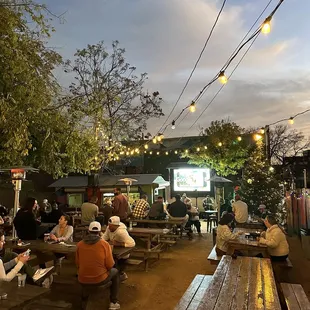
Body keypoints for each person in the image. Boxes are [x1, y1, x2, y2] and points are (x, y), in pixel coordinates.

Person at [76, 221, 120, 310]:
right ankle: (113, 302)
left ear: (88, 231)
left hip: (82, 278)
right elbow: (110, 265)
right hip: (99, 278)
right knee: (115, 272)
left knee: (84, 272)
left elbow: (77, 263)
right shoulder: (104, 244)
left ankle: (84, 298)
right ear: (100, 232)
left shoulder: (79, 244)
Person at [101, 216, 135, 282]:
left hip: (122, 252)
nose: (109, 227)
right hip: (113, 249)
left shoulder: (121, 232)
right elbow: (104, 237)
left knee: (116, 263)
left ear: (116, 226)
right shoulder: (109, 228)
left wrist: (119, 244)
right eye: (108, 225)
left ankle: (120, 275)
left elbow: (132, 243)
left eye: (111, 226)